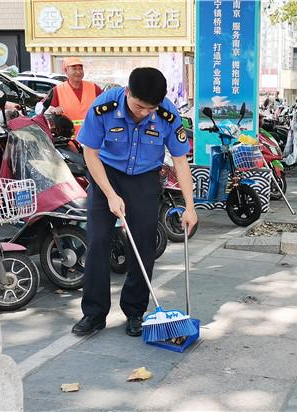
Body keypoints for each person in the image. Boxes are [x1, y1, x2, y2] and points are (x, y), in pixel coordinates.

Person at [71, 67, 197, 337]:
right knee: (98, 241)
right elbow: (90, 154)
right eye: (139, 106)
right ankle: (94, 313)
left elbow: (180, 161)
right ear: (127, 92)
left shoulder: (167, 114)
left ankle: (135, 311)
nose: (143, 113)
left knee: (143, 245)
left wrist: (190, 206)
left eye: (150, 109)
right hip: (107, 174)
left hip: (144, 178)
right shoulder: (103, 107)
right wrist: (110, 194)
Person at [47, 57, 103, 136]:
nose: (78, 72)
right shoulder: (57, 90)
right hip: (69, 141)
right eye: (74, 69)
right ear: (66, 71)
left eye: (80, 69)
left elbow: (106, 105)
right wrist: (53, 110)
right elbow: (41, 108)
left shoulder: (94, 88)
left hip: (91, 139)